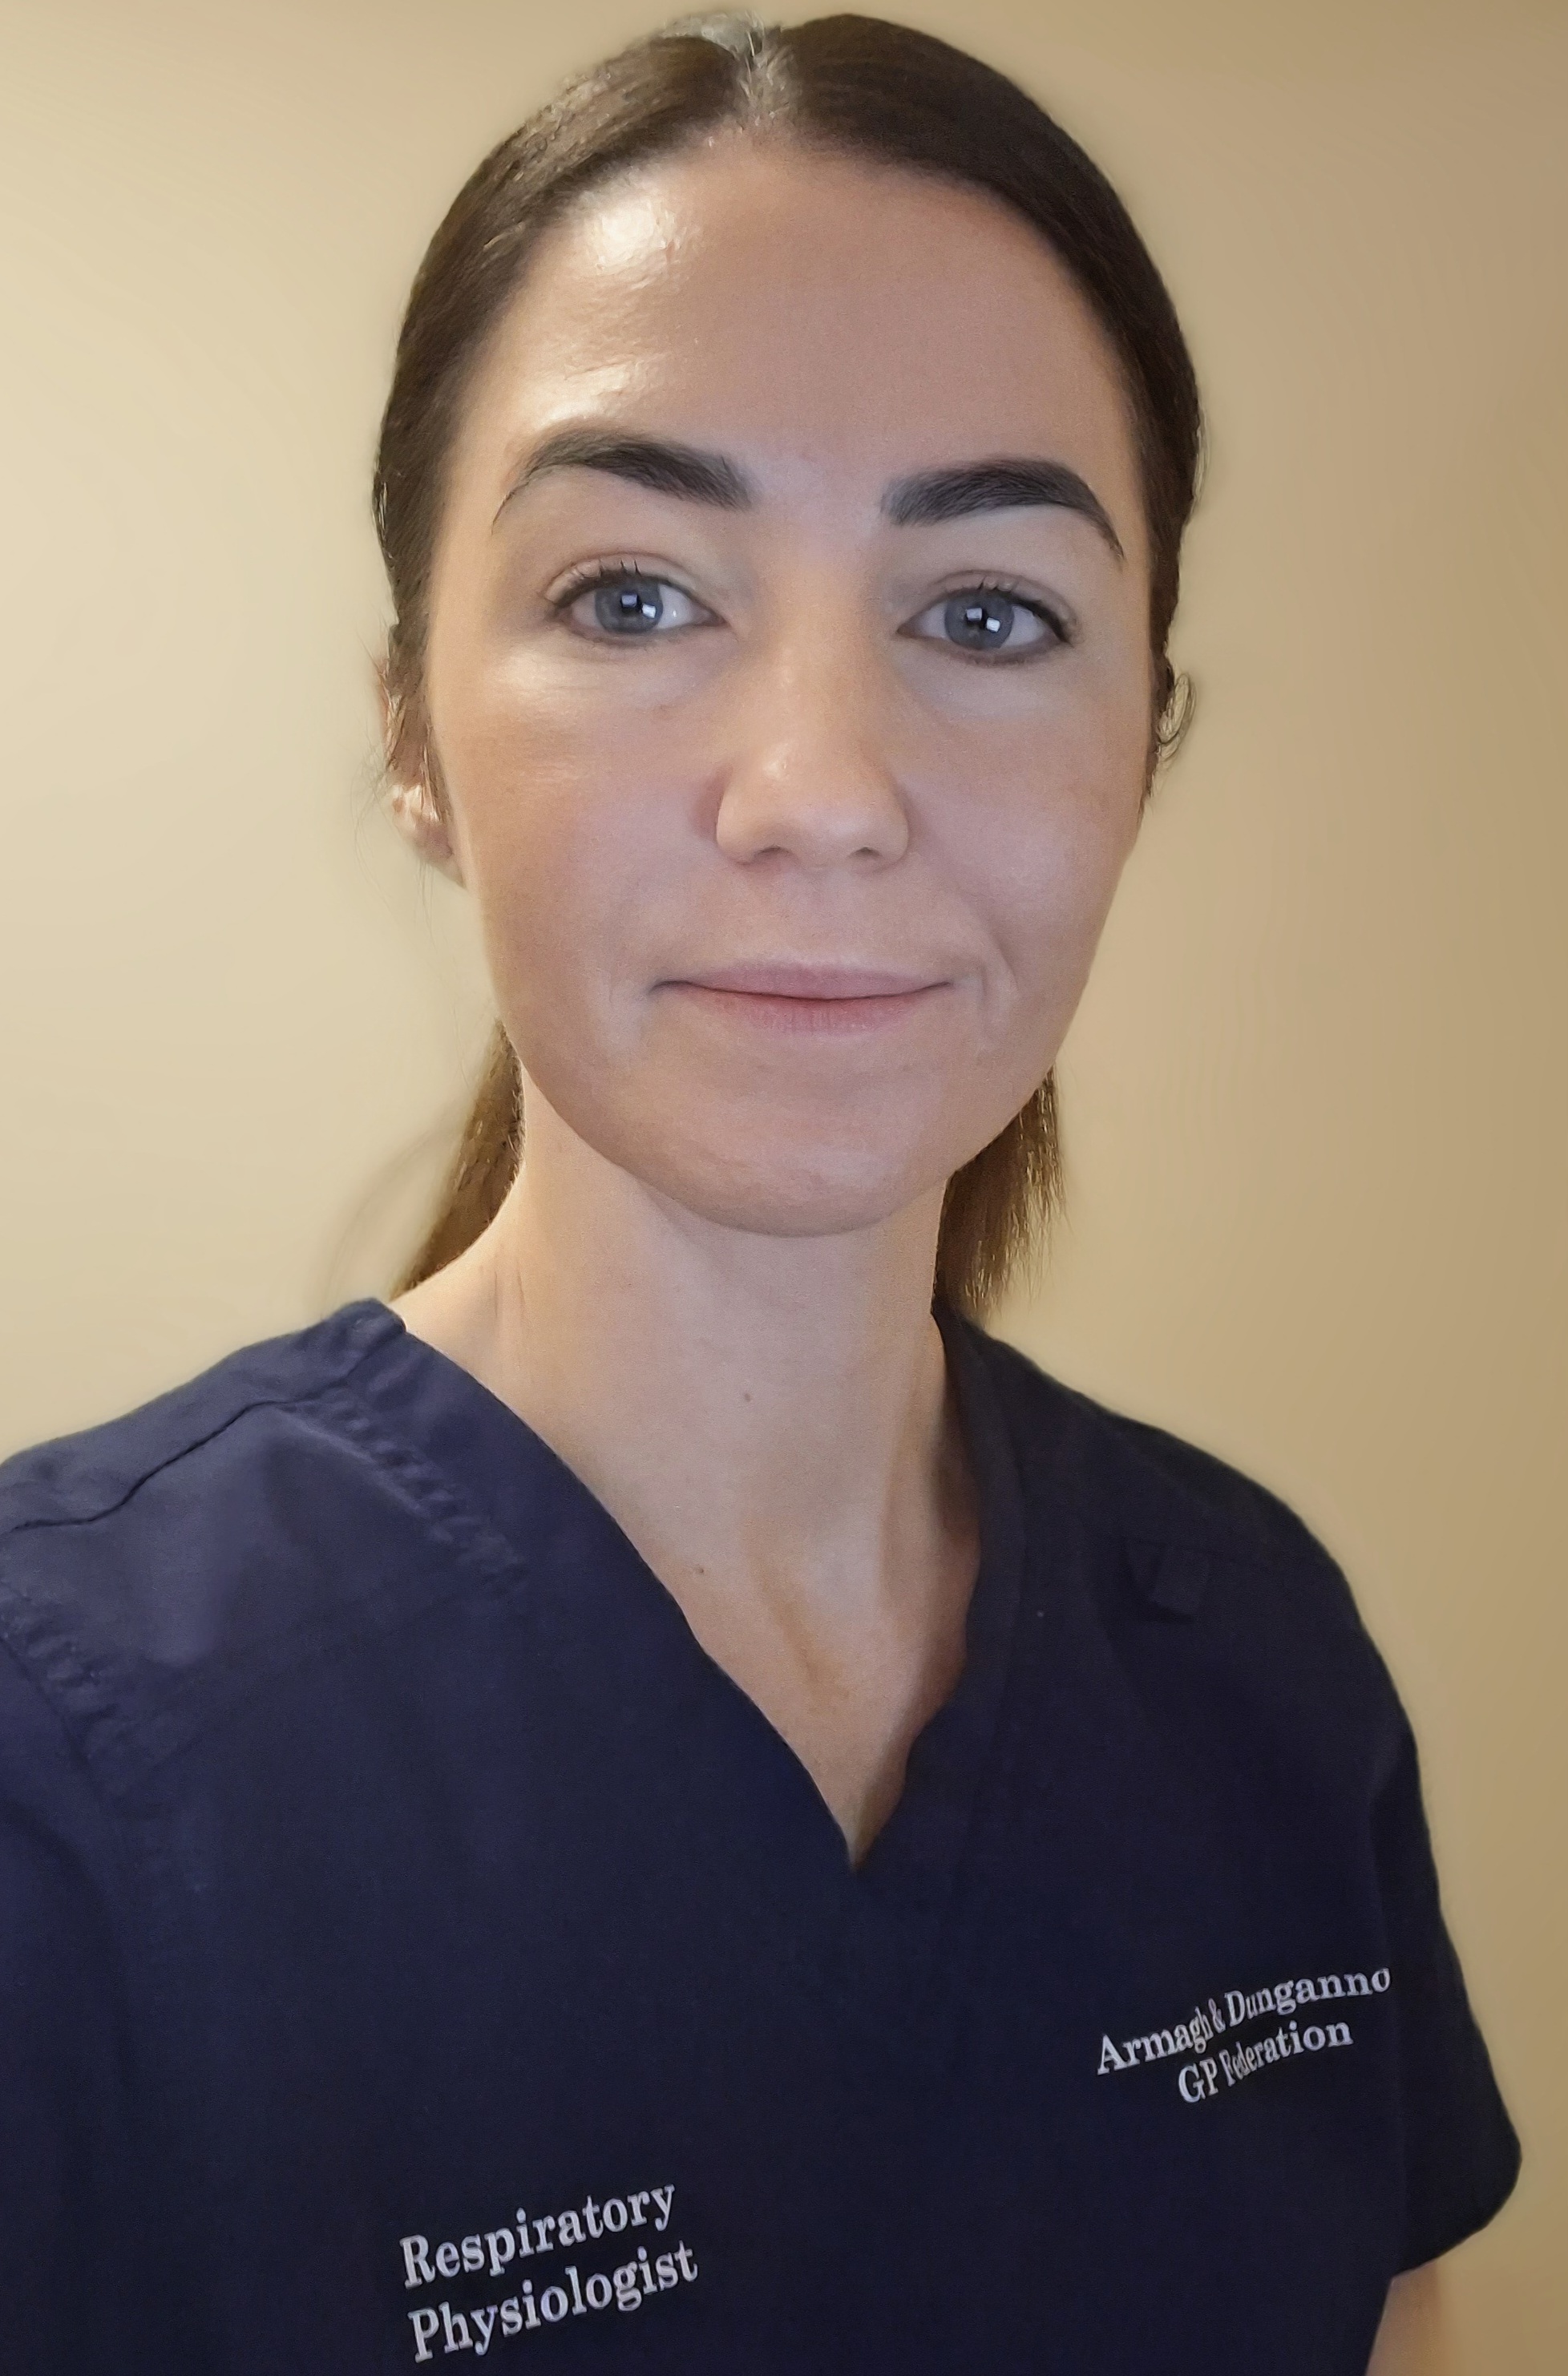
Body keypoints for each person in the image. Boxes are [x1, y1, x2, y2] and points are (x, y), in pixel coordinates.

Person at [0, 14, 1518, 2374]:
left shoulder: (1255, 1650)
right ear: (412, 733)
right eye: (633, 595)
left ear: (1144, 743)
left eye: (989, 612)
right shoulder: (57, 1764)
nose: (820, 788)